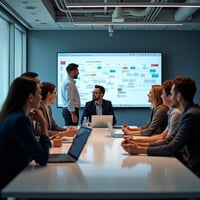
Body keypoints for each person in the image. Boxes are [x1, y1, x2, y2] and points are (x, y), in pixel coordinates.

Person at [121, 76, 200, 177]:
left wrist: (139, 150)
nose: (169, 97)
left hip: (195, 170)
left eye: (171, 94)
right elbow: (169, 140)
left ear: (178, 96)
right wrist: (138, 145)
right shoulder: (188, 112)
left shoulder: (190, 115)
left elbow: (172, 147)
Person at [0, 77, 51, 192]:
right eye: (39, 94)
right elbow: (42, 158)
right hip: (13, 181)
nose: (41, 97)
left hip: (13, 177)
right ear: (30, 97)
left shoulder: (12, 116)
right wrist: (43, 124)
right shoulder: (20, 120)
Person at [131, 80, 181, 145]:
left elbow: (167, 143)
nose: (161, 96)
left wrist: (139, 145)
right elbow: (162, 136)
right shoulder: (171, 112)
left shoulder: (173, 113)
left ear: (169, 97)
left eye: (162, 94)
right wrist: (136, 141)